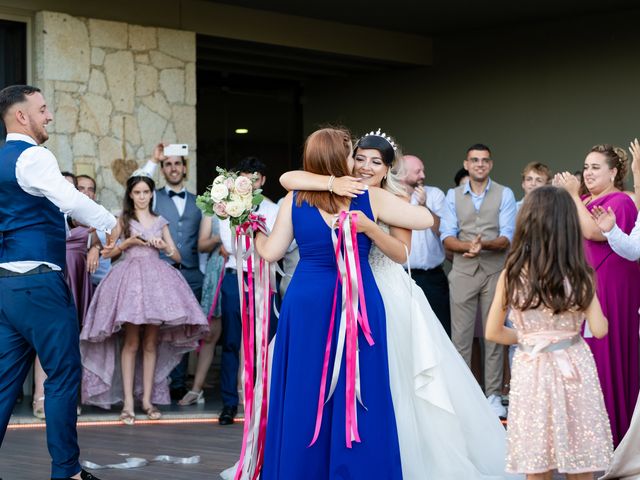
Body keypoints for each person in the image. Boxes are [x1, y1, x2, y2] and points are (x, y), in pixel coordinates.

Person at [280, 130, 511, 478]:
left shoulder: (387, 197)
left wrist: (371, 229)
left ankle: (394, 451)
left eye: (376, 162)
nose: (366, 167)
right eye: (360, 159)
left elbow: (403, 251)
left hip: (383, 285)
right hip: (342, 291)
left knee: (396, 379)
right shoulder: (332, 188)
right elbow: (289, 179)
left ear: (387, 169)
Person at [0, 84, 115, 480]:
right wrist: (109, 221)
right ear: (22, 116)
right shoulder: (33, 155)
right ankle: (66, 472)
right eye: (43, 109)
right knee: (64, 376)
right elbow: (69, 197)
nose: (48, 116)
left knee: (2, 385)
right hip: (40, 284)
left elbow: (30, 212)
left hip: (7, 287)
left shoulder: (1, 160)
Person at [486, 185, 613, 479]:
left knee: (537, 458)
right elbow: (600, 328)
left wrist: (530, 338)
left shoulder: (512, 273)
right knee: (580, 453)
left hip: (532, 367)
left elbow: (493, 332)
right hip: (574, 368)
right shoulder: (581, 273)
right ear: (568, 225)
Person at [80, 173, 209, 424]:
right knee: (131, 343)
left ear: (152, 194)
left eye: (146, 192)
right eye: (137, 192)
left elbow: (178, 257)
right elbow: (109, 253)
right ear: (130, 194)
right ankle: (128, 403)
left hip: (156, 284)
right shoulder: (123, 220)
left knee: (151, 343)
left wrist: (164, 247)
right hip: (129, 282)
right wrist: (127, 242)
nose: (142, 197)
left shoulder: (161, 221)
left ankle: (147, 401)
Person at [554, 144, 640, 446]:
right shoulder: (586, 199)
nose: (588, 173)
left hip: (611, 286)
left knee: (603, 354)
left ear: (614, 172)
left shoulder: (621, 201)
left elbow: (594, 232)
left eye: (595, 167)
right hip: (583, 282)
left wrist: (573, 195)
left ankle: (612, 434)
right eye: (586, 167)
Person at [440, 143, 517, 418]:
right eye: (475, 160)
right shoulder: (452, 195)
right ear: (467, 164)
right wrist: (464, 248)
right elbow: (446, 235)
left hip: (495, 271)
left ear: (491, 165)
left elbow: (507, 236)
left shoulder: (504, 194)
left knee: (493, 335)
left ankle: (493, 394)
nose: (480, 165)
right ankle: (464, 394)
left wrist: (481, 245)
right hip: (462, 271)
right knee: (460, 337)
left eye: (485, 160)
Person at [217, 156, 280, 425]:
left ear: (263, 180)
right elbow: (228, 244)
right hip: (236, 276)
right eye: (246, 177)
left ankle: (262, 399)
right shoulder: (227, 208)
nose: (251, 182)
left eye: (256, 177)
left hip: (264, 277)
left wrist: (254, 237)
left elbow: (282, 244)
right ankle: (230, 402)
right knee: (232, 340)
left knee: (265, 340)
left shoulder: (274, 209)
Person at [142, 143, 204, 400]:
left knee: (186, 330)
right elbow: (137, 182)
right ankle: (157, 383)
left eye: (177, 163)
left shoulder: (199, 201)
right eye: (168, 164)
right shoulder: (153, 196)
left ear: (185, 168)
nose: (173, 168)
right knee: (159, 329)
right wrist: (153, 160)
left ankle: (179, 382)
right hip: (161, 273)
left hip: (192, 273)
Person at [399, 153, 451, 336]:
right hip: (402, 276)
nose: (422, 175)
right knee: (406, 330)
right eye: (418, 171)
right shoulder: (391, 197)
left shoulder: (434, 194)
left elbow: (442, 230)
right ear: (402, 175)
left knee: (440, 330)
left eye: (423, 170)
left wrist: (424, 206)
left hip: (432, 277)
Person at [178, 214, 224, 406]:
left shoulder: (253, 206)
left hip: (244, 269)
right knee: (210, 333)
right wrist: (219, 239)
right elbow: (202, 245)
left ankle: (241, 388)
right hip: (216, 270)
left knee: (242, 335)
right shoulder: (212, 213)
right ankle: (197, 389)